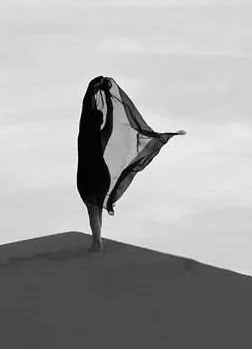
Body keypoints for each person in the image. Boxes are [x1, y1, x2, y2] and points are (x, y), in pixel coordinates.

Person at [76, 75, 182, 252]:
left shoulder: (84, 134)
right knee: (98, 210)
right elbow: (108, 118)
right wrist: (108, 97)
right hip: (101, 175)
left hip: (87, 174)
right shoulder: (103, 134)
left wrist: (92, 91)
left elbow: (86, 110)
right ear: (99, 121)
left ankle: (97, 243)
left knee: (92, 209)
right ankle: (97, 242)